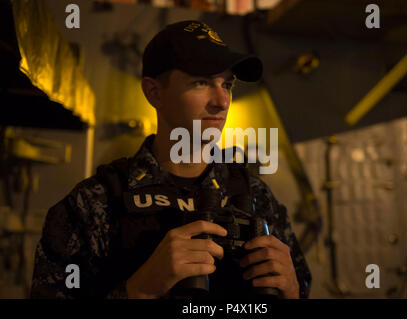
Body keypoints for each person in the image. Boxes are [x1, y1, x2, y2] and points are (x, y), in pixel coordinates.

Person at [30, 20, 312, 299]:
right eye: (201, 82)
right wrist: (138, 290)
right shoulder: (93, 204)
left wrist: (293, 292)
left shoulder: (257, 197)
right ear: (154, 92)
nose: (222, 101)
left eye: (227, 84)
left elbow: (299, 288)